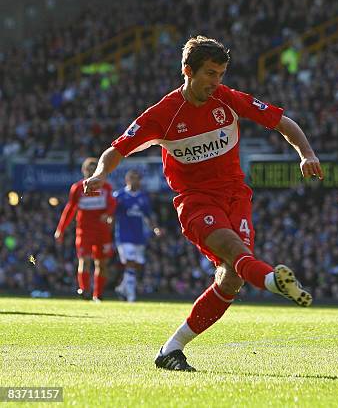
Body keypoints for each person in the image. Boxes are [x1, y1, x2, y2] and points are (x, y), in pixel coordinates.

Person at [83, 36, 324, 371]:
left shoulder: (227, 99)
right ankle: (273, 280)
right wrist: (99, 175)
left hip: (237, 197)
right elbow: (117, 150)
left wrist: (307, 154)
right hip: (196, 202)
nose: (216, 82)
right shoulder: (163, 114)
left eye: (221, 74)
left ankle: (171, 349)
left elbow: (283, 123)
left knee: (231, 278)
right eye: (210, 73)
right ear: (187, 71)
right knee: (236, 251)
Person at [54, 157, 116, 302]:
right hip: (84, 231)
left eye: (94, 169)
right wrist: (60, 229)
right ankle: (84, 290)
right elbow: (70, 209)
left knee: (101, 263)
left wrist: (108, 214)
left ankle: (98, 294)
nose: (91, 172)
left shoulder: (105, 187)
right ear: (84, 170)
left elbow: (112, 204)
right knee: (85, 260)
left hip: (102, 231)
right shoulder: (77, 188)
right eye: (88, 169)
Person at [113, 170, 162, 302]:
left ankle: (122, 288)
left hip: (139, 236)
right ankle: (131, 295)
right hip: (124, 236)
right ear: (127, 180)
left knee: (138, 264)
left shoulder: (143, 197)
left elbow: (148, 216)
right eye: (133, 178)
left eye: (138, 179)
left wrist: (155, 228)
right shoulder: (119, 196)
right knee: (130, 262)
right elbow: (112, 213)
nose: (136, 181)